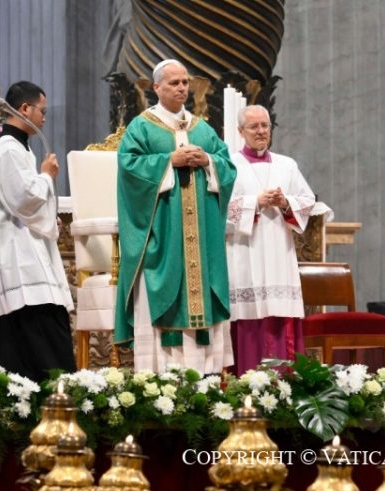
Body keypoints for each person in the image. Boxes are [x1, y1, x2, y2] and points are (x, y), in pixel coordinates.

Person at [115, 59, 237, 374]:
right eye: (174, 83)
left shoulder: (202, 128)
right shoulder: (142, 126)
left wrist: (208, 161)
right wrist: (169, 160)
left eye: (185, 82)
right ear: (156, 87)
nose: (182, 88)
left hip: (200, 236)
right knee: (163, 285)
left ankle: (206, 373)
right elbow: (129, 168)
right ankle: (160, 376)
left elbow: (227, 166)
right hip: (164, 233)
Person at [0, 81, 76, 382]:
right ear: (24, 108)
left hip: (24, 248)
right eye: (42, 111)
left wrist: (49, 217)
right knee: (43, 330)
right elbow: (23, 199)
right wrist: (46, 175)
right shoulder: (8, 148)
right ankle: (57, 395)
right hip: (20, 257)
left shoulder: (19, 146)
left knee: (21, 335)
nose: (44, 118)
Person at [226, 105, 315, 375]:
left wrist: (285, 201)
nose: (261, 131)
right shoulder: (230, 165)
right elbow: (219, 208)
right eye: (254, 126)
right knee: (248, 318)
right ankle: (245, 381)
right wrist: (255, 202)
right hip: (245, 254)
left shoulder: (287, 165)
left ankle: (285, 383)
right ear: (240, 131)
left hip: (279, 253)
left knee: (280, 315)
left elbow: (307, 201)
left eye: (265, 125)